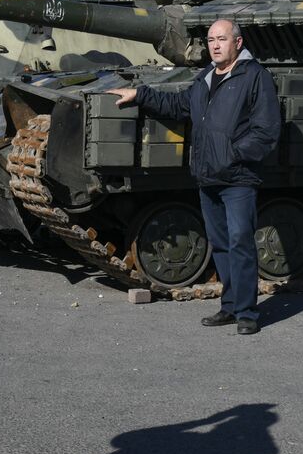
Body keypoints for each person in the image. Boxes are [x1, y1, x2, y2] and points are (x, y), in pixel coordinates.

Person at [108, 19, 280, 334]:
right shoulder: (205, 79)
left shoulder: (255, 77)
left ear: (237, 43)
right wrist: (140, 94)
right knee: (222, 243)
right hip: (207, 177)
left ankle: (247, 314)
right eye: (212, 39)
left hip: (238, 177)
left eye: (222, 39)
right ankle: (229, 307)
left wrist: (232, 155)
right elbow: (178, 105)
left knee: (241, 241)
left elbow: (266, 130)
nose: (215, 45)